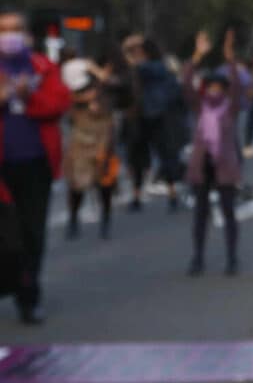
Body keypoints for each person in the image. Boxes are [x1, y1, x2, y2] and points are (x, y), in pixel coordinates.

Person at [0, 6, 71, 325]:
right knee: (7, 236)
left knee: (32, 234)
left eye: (14, 29)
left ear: (26, 34)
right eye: (3, 30)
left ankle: (29, 298)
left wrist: (29, 96)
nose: (8, 36)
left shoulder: (42, 67)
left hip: (35, 165)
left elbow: (58, 104)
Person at [182, 31, 242, 276]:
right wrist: (197, 55)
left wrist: (230, 58)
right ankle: (197, 258)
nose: (215, 90)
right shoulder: (200, 107)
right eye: (212, 86)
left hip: (225, 167)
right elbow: (185, 83)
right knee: (200, 214)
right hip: (202, 166)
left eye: (220, 87)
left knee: (228, 213)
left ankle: (231, 258)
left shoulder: (230, 109)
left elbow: (238, 86)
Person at [122, 34, 182, 212]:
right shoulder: (163, 66)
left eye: (139, 50)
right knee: (163, 154)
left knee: (140, 156)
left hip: (146, 115)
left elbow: (131, 65)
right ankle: (171, 194)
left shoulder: (150, 67)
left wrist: (126, 47)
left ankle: (138, 196)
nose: (136, 53)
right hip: (158, 115)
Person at [63, 59, 120, 240]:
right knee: (77, 186)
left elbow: (117, 98)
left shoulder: (103, 88)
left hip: (102, 142)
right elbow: (64, 109)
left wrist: (99, 75)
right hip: (80, 145)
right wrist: (79, 99)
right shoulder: (71, 94)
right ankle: (73, 220)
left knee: (105, 185)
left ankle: (106, 222)